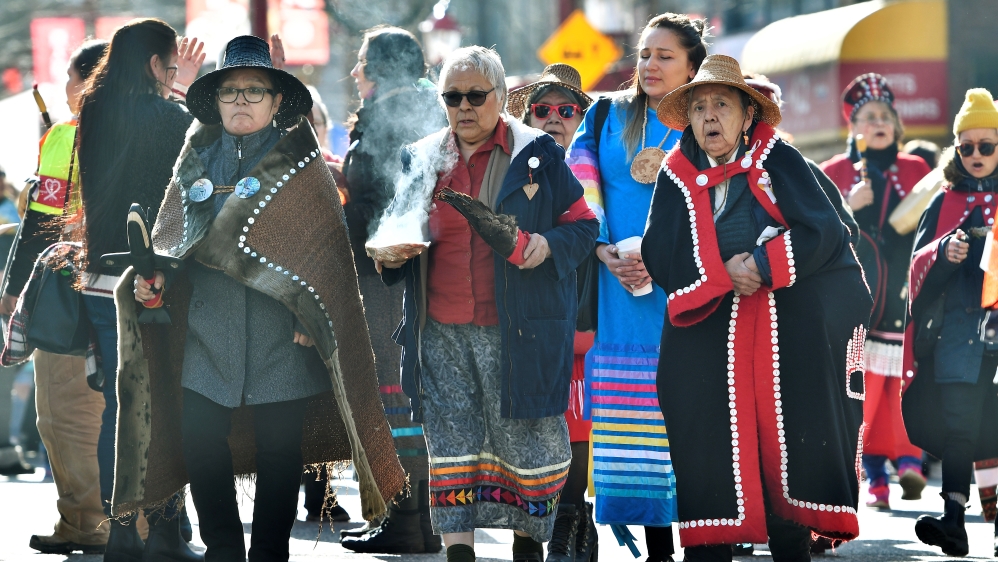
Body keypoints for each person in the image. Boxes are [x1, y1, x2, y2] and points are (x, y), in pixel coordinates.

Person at [126, 34, 406, 562]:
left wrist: (311, 311)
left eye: (255, 91)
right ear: (215, 100)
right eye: (230, 92)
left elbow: (326, 251)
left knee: (282, 453)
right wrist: (154, 279)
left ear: (277, 101)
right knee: (201, 446)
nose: (241, 102)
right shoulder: (194, 159)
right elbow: (169, 241)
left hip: (284, 334)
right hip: (206, 333)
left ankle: (271, 553)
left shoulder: (302, 165)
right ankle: (224, 550)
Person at [643, 55, 872, 562]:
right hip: (707, 331)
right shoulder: (675, 174)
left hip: (782, 326)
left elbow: (826, 233)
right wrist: (726, 273)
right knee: (705, 439)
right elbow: (663, 252)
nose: (709, 117)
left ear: (748, 115)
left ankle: (792, 539)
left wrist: (766, 265)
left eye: (721, 104)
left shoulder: (780, 159)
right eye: (699, 106)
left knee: (788, 447)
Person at [375, 45, 599, 562]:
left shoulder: (540, 153)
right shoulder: (423, 157)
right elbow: (397, 228)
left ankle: (527, 550)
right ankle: (460, 555)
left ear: (499, 97)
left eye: (476, 95)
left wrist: (547, 246)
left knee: (529, 447)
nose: (464, 107)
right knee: (453, 448)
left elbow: (584, 227)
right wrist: (390, 254)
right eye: (452, 97)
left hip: (520, 329)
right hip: (440, 329)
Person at [564, 13, 709, 562]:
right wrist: (603, 250)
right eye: (645, 53)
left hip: (687, 290)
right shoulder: (605, 114)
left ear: (692, 66)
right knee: (635, 418)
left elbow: (721, 206)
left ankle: (706, 534)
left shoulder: (706, 121)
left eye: (664, 55)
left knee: (692, 413)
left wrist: (660, 258)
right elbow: (580, 188)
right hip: (618, 291)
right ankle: (657, 549)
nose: (649, 64)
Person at [73, 19, 204, 562]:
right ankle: (168, 533)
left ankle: (122, 534)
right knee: (167, 405)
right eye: (170, 66)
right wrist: (183, 94)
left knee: (119, 409)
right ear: (156, 66)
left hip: (100, 277)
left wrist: (175, 89)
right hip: (152, 278)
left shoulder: (93, 112)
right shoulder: (171, 118)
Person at [0, 39, 115, 555]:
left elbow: (42, 221)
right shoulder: (154, 125)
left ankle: (87, 521)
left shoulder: (68, 135)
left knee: (65, 412)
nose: (67, 91)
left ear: (87, 82)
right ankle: (112, 520)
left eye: (72, 79)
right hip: (132, 294)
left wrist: (12, 289)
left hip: (70, 293)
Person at [337, 25, 448, 555]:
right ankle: (419, 520)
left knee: (394, 394)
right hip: (422, 271)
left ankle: (408, 517)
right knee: (410, 393)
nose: (355, 72)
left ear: (376, 67)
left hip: (388, 274)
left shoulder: (388, 114)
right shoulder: (431, 108)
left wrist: (339, 214)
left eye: (361, 62)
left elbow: (382, 200)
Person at [819, 74, 931, 510]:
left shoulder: (917, 171)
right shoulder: (835, 172)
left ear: (898, 126)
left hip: (904, 290)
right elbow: (819, 230)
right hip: (857, 294)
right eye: (868, 117)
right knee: (863, 383)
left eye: (886, 116)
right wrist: (850, 204)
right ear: (852, 126)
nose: (878, 122)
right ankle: (872, 468)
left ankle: (908, 456)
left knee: (901, 379)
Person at [902, 88, 998, 558]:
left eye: (987, 146)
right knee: (961, 427)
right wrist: (943, 253)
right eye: (967, 147)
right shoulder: (942, 202)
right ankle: (954, 523)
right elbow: (916, 265)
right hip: (958, 339)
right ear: (956, 150)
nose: (976, 155)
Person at [508, 62, 595, 562]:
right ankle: (533, 539)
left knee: (577, 428)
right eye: (543, 109)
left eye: (568, 109)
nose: (555, 117)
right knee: (532, 432)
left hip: (586, 320)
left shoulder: (600, 165)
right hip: (529, 319)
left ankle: (568, 524)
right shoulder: (515, 168)